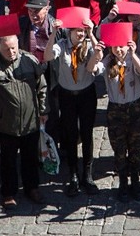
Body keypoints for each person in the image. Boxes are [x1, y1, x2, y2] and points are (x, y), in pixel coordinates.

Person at [0, 32, 48, 209]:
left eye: (13, 48)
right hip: (6, 124)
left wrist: (44, 109)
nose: (11, 52)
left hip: (30, 121)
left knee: (30, 157)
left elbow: (41, 85)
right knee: (8, 161)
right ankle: (8, 192)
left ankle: (32, 187)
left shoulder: (29, 60)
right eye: (6, 49)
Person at [44, 16, 100, 197]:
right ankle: (73, 175)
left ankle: (88, 174)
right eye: (78, 32)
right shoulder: (62, 43)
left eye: (83, 31)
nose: (81, 34)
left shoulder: (89, 43)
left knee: (87, 133)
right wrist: (52, 33)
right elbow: (47, 56)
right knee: (70, 134)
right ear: (70, 32)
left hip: (86, 94)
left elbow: (99, 55)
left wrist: (92, 34)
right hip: (67, 95)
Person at [91, 36, 140, 202]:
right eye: (115, 47)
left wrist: (134, 53)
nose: (119, 50)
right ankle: (123, 182)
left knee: (135, 147)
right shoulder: (108, 61)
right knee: (119, 148)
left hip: (135, 107)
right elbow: (91, 69)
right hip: (116, 110)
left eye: (121, 46)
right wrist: (96, 54)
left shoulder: (132, 58)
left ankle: (135, 181)